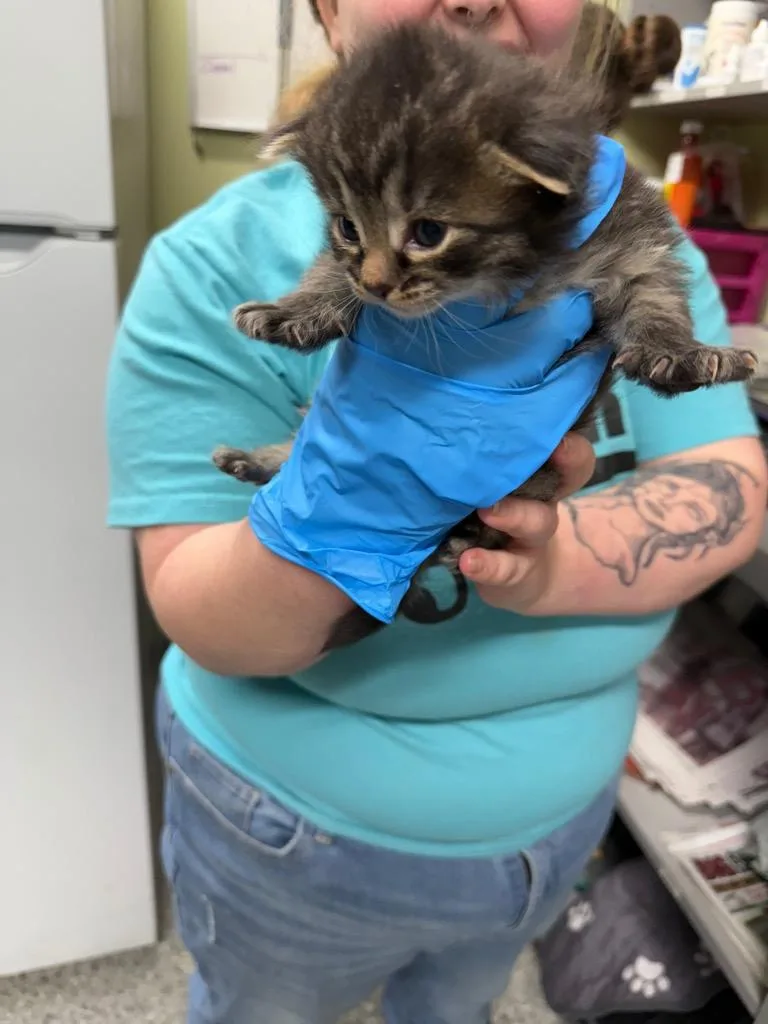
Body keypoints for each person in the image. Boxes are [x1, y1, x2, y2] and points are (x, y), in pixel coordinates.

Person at [106, 2, 767, 1022]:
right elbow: (201, 614)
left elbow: (735, 486)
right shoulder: (203, 266)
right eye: (352, 239)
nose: (377, 277)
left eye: (416, 233)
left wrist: (547, 560)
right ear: (328, 13)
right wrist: (362, 485)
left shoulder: (621, 218)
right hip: (291, 834)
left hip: (558, 829)